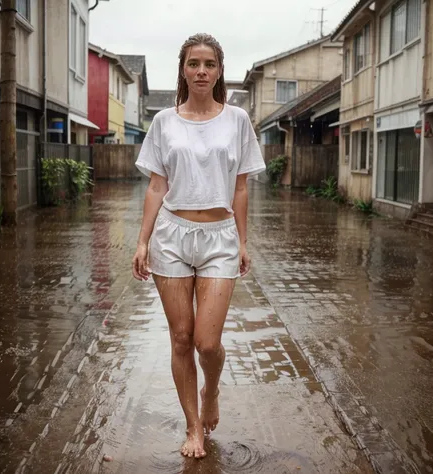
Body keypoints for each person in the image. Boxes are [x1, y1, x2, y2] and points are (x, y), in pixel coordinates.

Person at [131, 33, 266, 459]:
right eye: (194, 63)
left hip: (220, 238)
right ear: (183, 69)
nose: (201, 71)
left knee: (207, 343)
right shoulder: (164, 122)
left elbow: (241, 188)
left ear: (220, 70)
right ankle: (193, 428)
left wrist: (243, 242)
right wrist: (142, 240)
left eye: (209, 63)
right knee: (180, 338)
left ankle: (211, 392)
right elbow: (156, 185)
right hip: (171, 237)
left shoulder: (238, 120)